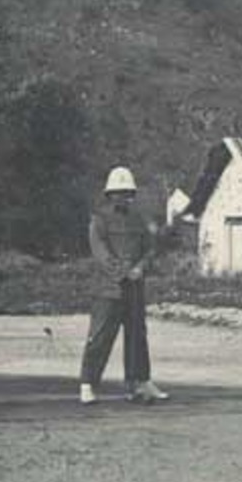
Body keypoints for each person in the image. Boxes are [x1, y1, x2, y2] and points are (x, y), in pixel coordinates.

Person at [79, 166, 169, 405]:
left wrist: (141, 267)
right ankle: (88, 384)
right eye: (118, 193)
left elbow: (150, 248)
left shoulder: (140, 219)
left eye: (128, 192)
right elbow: (100, 251)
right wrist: (122, 272)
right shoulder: (99, 219)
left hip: (135, 287)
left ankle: (139, 382)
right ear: (110, 195)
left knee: (137, 336)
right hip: (107, 288)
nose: (124, 197)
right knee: (99, 337)